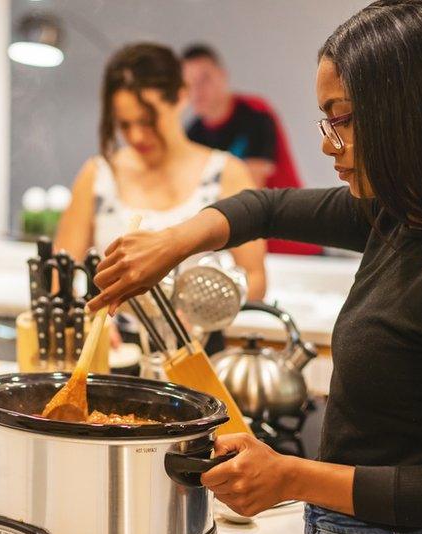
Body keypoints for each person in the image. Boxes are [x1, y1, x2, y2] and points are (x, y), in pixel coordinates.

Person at [88, 1, 422, 534]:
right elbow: (264, 207)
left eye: (341, 119)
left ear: (411, 114)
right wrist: (173, 241)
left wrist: (290, 475)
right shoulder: (398, 218)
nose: (327, 143)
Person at [54, 43, 266, 344]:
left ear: (181, 96)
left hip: (197, 348)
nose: (137, 136)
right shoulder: (98, 175)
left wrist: (205, 312)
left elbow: (255, 277)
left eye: (148, 121)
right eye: (125, 125)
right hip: (114, 353)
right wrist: (83, 315)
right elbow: (58, 275)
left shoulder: (226, 173)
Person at [182, 43, 322, 256]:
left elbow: (250, 190)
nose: (197, 91)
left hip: (292, 242)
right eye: (189, 84)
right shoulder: (193, 133)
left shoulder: (255, 114)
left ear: (222, 75)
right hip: (244, 246)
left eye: (204, 79)